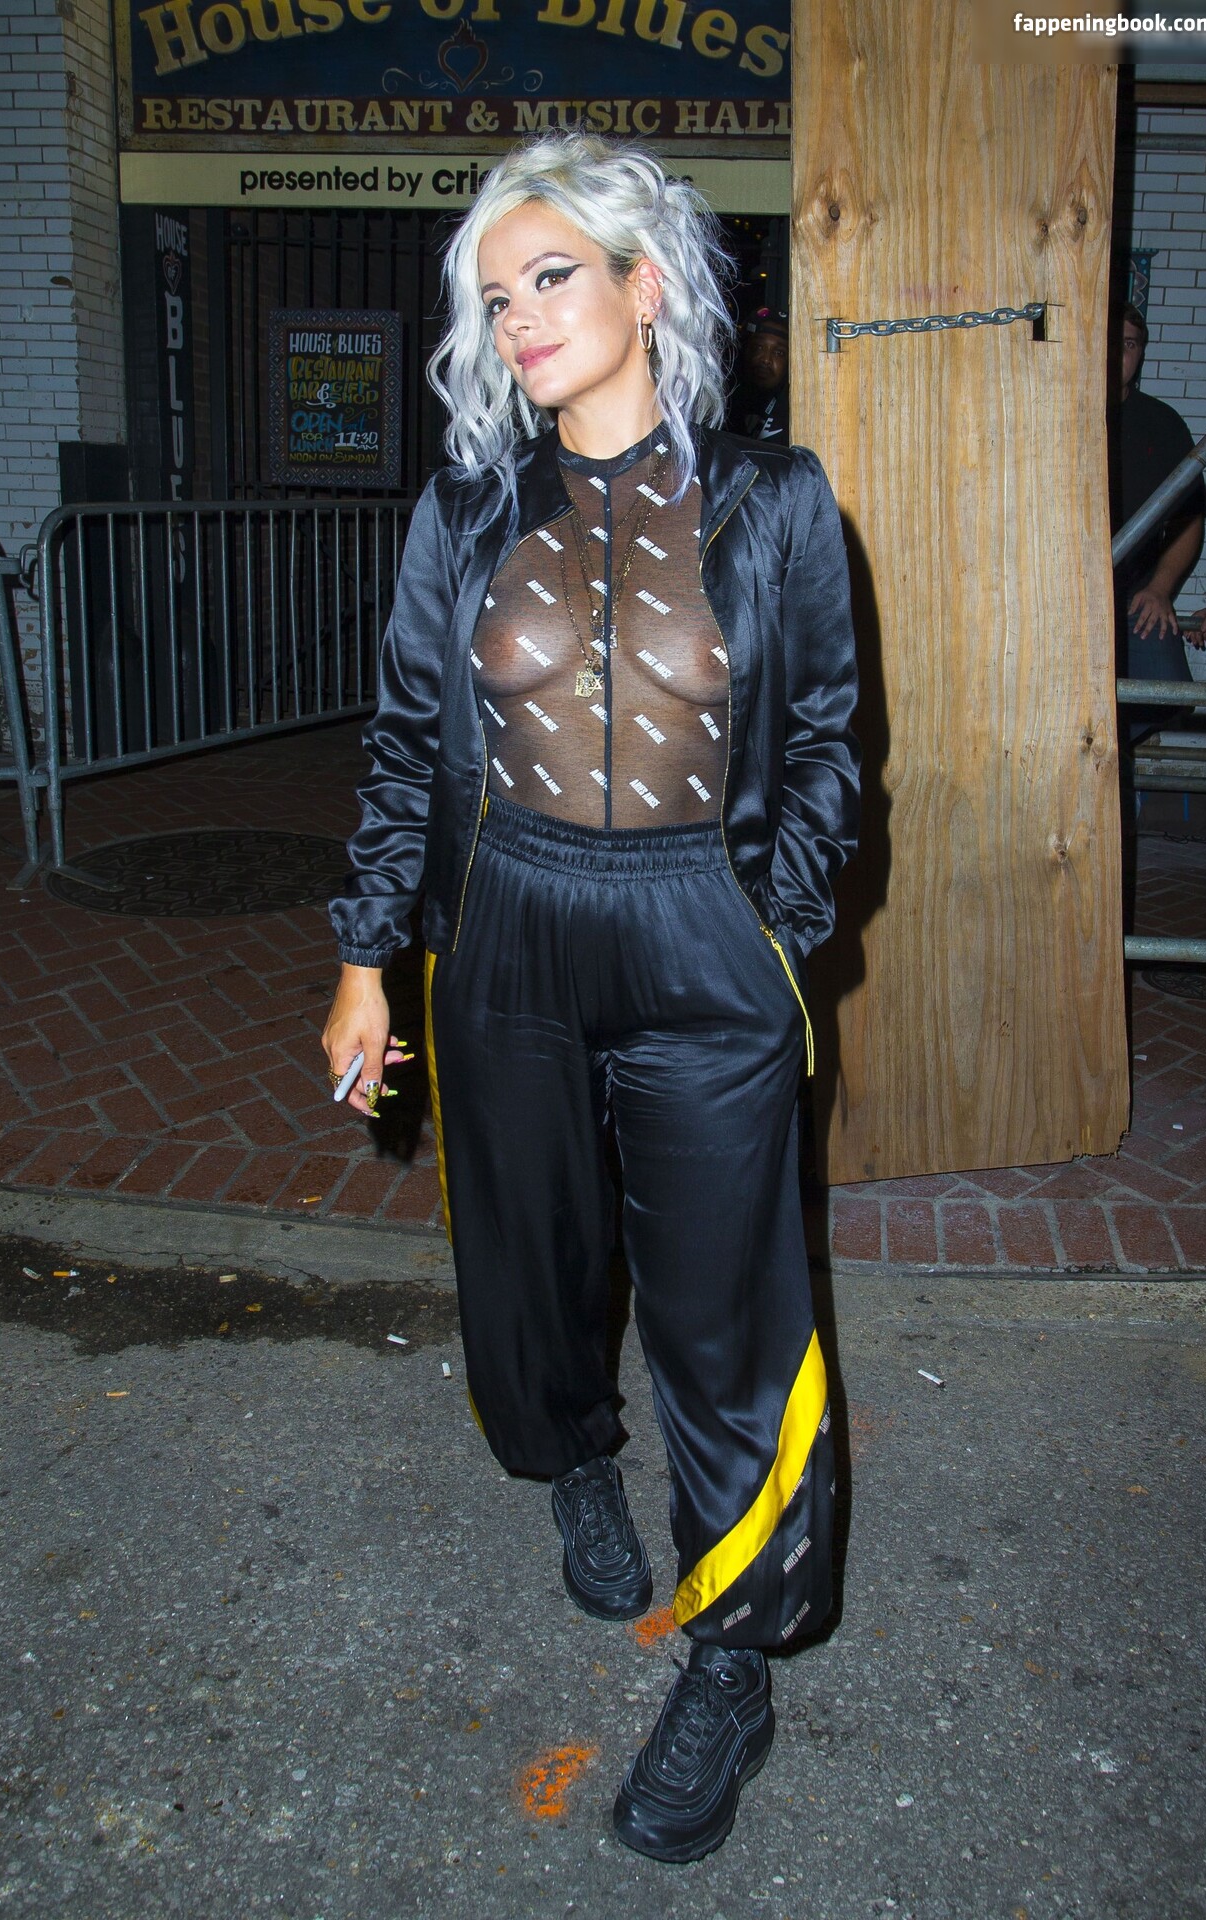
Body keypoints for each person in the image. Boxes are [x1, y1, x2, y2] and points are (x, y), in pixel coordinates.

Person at [322, 133, 860, 1864]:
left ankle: (734, 1659)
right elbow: (407, 740)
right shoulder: (467, 510)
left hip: (704, 936)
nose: (521, 319)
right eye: (496, 298)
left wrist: (772, 934)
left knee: (730, 1311)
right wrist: (366, 956)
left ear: (645, 282)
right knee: (530, 1265)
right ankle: (571, 1460)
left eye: (551, 276)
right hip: (511, 934)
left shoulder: (777, 501)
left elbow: (829, 744)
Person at [1110, 301, 1206, 741]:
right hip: (1061, 594)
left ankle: (1111, 752)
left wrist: (1160, 588)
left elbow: (1189, 519)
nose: (1119, 353)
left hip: (1137, 598)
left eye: (1129, 344)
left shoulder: (1163, 424)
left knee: (1168, 695)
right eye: (1111, 342)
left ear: (1140, 354)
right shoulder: (1054, 412)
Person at [727, 305, 789, 442]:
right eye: (759, 347)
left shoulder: (796, 414)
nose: (766, 359)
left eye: (779, 353)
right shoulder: (721, 401)